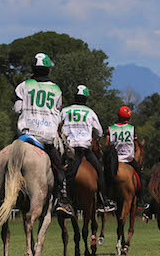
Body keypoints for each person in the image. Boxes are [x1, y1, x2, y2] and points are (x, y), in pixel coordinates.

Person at [13, 53, 71, 216]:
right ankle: (63, 198)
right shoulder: (56, 89)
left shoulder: (23, 86)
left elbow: (17, 109)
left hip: (26, 133)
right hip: (46, 136)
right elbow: (58, 111)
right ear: (48, 69)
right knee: (59, 169)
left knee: (8, 158)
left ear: (33, 68)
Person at [61, 85, 114, 213]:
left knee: (58, 170)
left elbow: (58, 125)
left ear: (75, 97)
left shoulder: (65, 111)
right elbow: (99, 132)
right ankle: (103, 200)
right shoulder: (90, 112)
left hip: (69, 150)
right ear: (86, 98)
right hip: (84, 149)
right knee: (99, 172)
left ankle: (59, 198)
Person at [106, 105, 145, 215]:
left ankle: (106, 198)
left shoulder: (110, 128)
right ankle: (141, 200)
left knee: (105, 176)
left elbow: (106, 144)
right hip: (128, 159)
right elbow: (135, 146)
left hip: (114, 161)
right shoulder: (132, 128)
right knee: (140, 176)